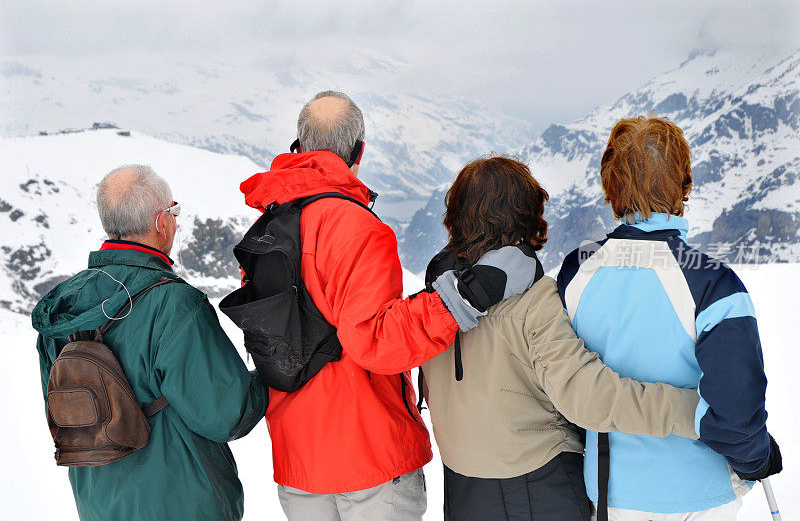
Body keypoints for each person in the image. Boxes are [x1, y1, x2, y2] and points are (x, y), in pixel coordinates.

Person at [236, 91, 537, 521]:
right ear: (359, 152)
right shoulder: (357, 226)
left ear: (297, 148)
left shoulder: (266, 227)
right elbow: (373, 341)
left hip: (298, 464)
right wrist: (461, 298)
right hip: (369, 461)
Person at [420, 155, 702, 521]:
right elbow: (592, 399)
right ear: (528, 215)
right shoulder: (534, 301)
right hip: (539, 489)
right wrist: (696, 410)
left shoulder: (433, 303)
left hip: (463, 494)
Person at [557, 116, 782, 520]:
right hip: (701, 494)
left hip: (611, 492)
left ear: (612, 188)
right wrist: (757, 459)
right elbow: (737, 411)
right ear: (683, 186)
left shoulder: (576, 271)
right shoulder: (713, 283)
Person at [32, 165, 267, 521]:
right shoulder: (174, 305)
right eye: (174, 211)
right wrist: (269, 373)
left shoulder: (65, 305)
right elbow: (225, 414)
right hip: (184, 502)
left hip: (99, 502)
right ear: (162, 223)